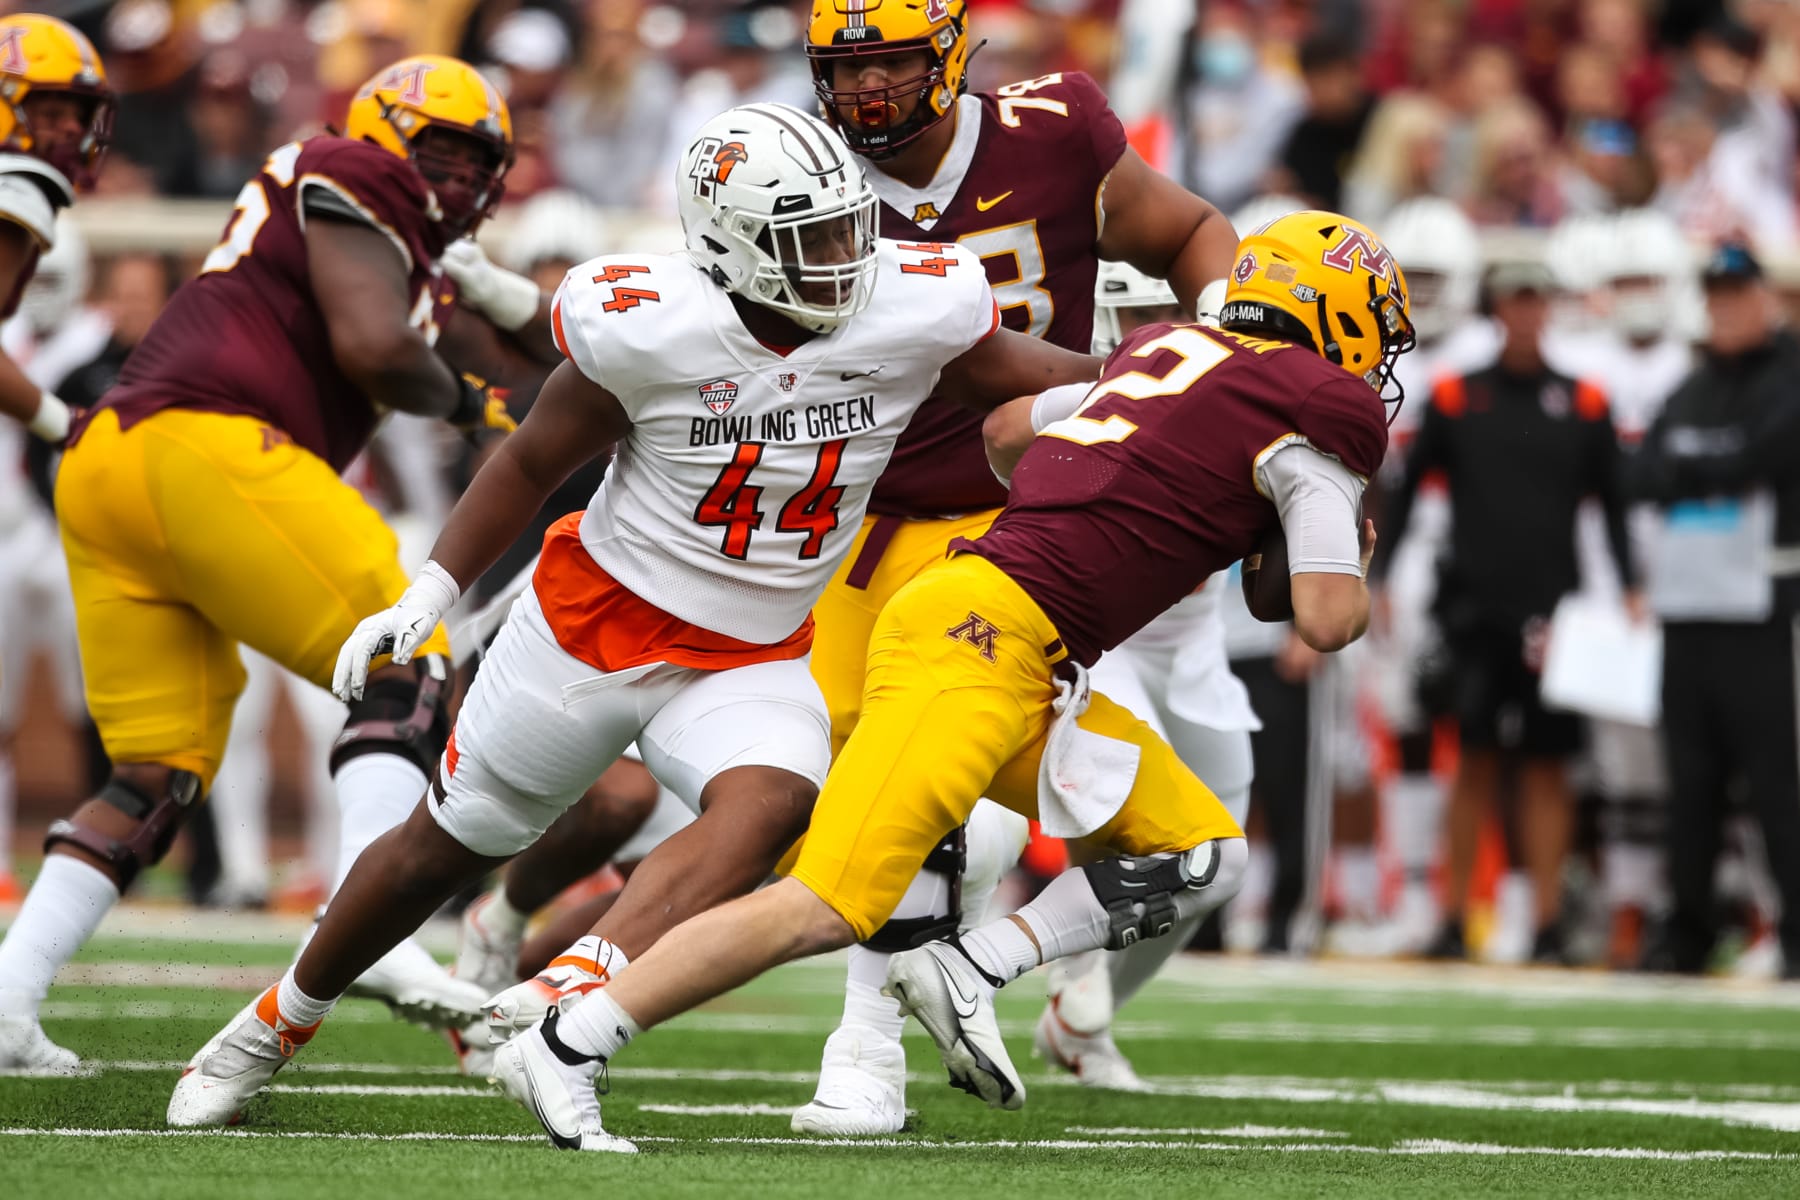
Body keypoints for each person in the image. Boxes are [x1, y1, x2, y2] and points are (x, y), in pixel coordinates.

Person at [165, 101, 1100, 1130]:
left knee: (775, 806)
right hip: (596, 626)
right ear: (729, 246)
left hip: (753, 644)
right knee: (448, 845)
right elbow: (528, 459)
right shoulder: (652, 326)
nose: (843, 259)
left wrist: (1171, 378)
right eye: (809, 240)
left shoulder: (910, 306)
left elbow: (1039, 379)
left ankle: (569, 993)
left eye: (848, 228)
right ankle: (275, 1021)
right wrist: (429, 592)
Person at [463, 210, 1407, 1153]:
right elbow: (1326, 621)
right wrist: (1346, 547)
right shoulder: (1321, 407)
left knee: (1203, 848)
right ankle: (571, 1040)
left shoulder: (1166, 343)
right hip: (984, 641)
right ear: (1342, 318)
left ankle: (973, 967)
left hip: (1006, 637)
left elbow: (1003, 435)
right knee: (825, 905)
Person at [0, 54, 528, 1074]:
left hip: (113, 467)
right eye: (440, 153)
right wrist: (471, 401)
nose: (458, 181)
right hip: (203, 444)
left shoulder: (402, 246)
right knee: (405, 653)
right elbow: (379, 349)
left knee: (153, 778)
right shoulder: (347, 173)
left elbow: (507, 333)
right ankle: (360, 910)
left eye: (477, 163)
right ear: (382, 140)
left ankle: (8, 1003)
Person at [785, 0, 1240, 1133]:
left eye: (890, 66)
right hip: (855, 518)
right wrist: (1120, 383)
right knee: (846, 791)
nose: (866, 95)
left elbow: (1191, 235)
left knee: (940, 792)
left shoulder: (1056, 128)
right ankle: (574, 985)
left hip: (1027, 522)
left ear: (949, 58)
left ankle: (873, 1038)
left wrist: (1222, 353)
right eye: (846, 72)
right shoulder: (801, 173)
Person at [1029, 262, 1260, 1086]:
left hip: (1191, 639)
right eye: (1133, 310)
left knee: (1223, 846)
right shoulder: (1081, 394)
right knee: (1139, 799)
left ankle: (1084, 1024)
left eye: (1165, 307)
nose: (1151, 328)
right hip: (1105, 631)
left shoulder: (1232, 386)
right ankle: (1061, 958)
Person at [1379, 259, 1639, 965]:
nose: (1527, 314)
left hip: (1555, 612)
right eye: (1516, 301)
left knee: (1548, 767)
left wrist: (1632, 585)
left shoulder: (1582, 402)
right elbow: (1406, 491)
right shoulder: (1460, 397)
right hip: (1472, 607)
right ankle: (1457, 916)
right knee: (1474, 760)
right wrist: (1379, 574)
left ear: (1548, 310)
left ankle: (1548, 921)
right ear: (1497, 309)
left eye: (1537, 301)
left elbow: (1613, 503)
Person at [1628, 243, 1800, 981]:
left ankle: (1793, 929)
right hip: (1689, 605)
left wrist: (1692, 465)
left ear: (1767, 298)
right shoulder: (1691, 384)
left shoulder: (1789, 376)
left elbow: (1762, 454)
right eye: (1715, 295)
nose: (1726, 306)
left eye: (1738, 292)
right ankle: (1689, 929)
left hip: (1765, 608)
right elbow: (1640, 471)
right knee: (1689, 780)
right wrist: (1709, 463)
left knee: (1776, 779)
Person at [0, 14, 111, 463]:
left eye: (79, 115)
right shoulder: (19, 185)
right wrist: (63, 423)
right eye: (51, 113)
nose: (71, 130)